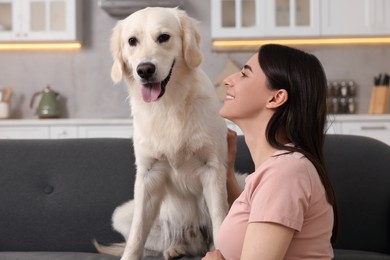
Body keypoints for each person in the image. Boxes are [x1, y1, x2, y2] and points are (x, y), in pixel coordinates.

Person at [203, 44, 338, 260]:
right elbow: (253, 220)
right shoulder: (280, 168)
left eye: (245, 74)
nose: (228, 79)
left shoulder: (286, 172)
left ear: (276, 98)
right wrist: (227, 172)